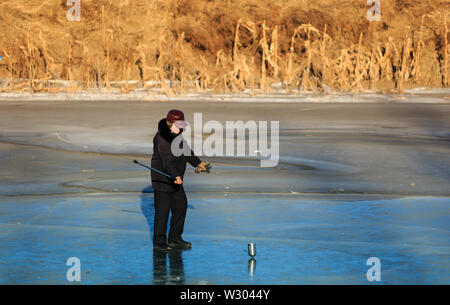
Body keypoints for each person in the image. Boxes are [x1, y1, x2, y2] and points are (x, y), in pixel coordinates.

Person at [151, 109, 211, 251]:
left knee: (181, 206)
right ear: (170, 123)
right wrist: (175, 175)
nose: (182, 128)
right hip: (163, 180)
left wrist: (198, 163)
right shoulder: (162, 139)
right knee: (163, 212)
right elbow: (167, 162)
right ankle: (159, 242)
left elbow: (186, 151)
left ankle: (175, 239)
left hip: (176, 180)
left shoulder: (177, 135)